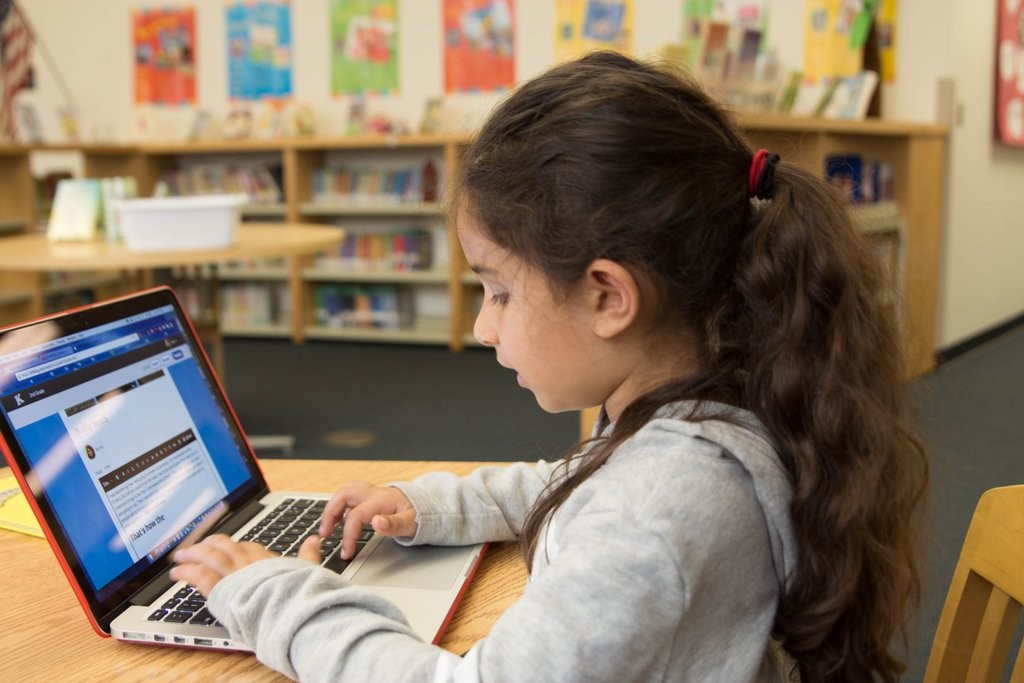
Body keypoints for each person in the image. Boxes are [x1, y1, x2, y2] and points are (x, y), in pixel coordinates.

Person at [172, 51, 929, 682]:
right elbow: (574, 480)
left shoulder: (657, 510)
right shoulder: (698, 408)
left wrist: (272, 592)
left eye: (499, 291)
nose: (482, 325)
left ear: (608, 295)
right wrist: (427, 504)